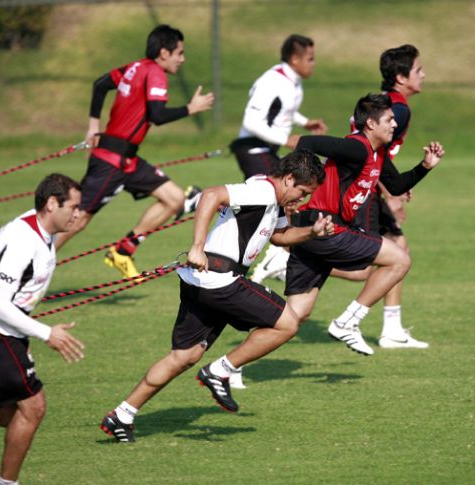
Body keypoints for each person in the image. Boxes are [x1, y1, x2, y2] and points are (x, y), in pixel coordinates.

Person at [99, 150, 333, 443]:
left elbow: (281, 238)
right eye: (302, 191)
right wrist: (197, 246)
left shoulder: (273, 199)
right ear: (288, 178)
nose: (303, 199)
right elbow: (210, 195)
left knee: (184, 356)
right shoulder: (261, 190)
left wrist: (312, 232)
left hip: (202, 281)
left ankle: (122, 414)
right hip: (220, 281)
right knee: (288, 323)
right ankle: (220, 371)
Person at [284, 93, 444, 357]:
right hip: (325, 228)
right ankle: (347, 321)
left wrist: (425, 166)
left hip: (314, 230)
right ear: (371, 123)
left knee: (293, 317)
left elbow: (395, 186)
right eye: (390, 120)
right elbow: (307, 142)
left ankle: (227, 367)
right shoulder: (356, 147)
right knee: (399, 259)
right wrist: (291, 187)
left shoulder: (377, 153)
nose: (395, 125)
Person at [0, 173, 86, 485]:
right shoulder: (23, 241)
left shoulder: (41, 230)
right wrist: (46, 333)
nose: (78, 214)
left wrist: (24, 333)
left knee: (11, 414)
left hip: (3, 328)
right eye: (74, 207)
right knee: (33, 407)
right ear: (52, 203)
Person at [54, 24, 214, 279]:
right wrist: (190, 109)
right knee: (77, 220)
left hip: (127, 160)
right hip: (110, 161)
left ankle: (122, 252)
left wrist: (93, 127)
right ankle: (33, 265)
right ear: (164, 52)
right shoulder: (155, 73)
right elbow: (158, 115)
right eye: (179, 53)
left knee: (175, 199)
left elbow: (100, 84)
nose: (182, 59)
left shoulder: (135, 67)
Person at [330, 44, 429, 350]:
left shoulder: (385, 103)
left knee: (399, 249)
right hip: (364, 189)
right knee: (362, 268)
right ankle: (292, 254)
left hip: (371, 184)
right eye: (418, 70)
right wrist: (391, 192)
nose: (423, 74)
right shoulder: (397, 109)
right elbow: (371, 149)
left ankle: (392, 329)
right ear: (401, 77)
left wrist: (394, 183)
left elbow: (378, 152)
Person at [229, 34, 328, 286]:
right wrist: (286, 139)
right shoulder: (273, 81)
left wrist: (305, 122)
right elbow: (251, 122)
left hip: (267, 150)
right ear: (294, 59)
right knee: (277, 200)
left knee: (278, 203)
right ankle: (268, 258)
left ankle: (276, 257)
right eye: (310, 59)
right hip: (252, 148)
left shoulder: (292, 82)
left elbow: (285, 108)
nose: (313, 63)